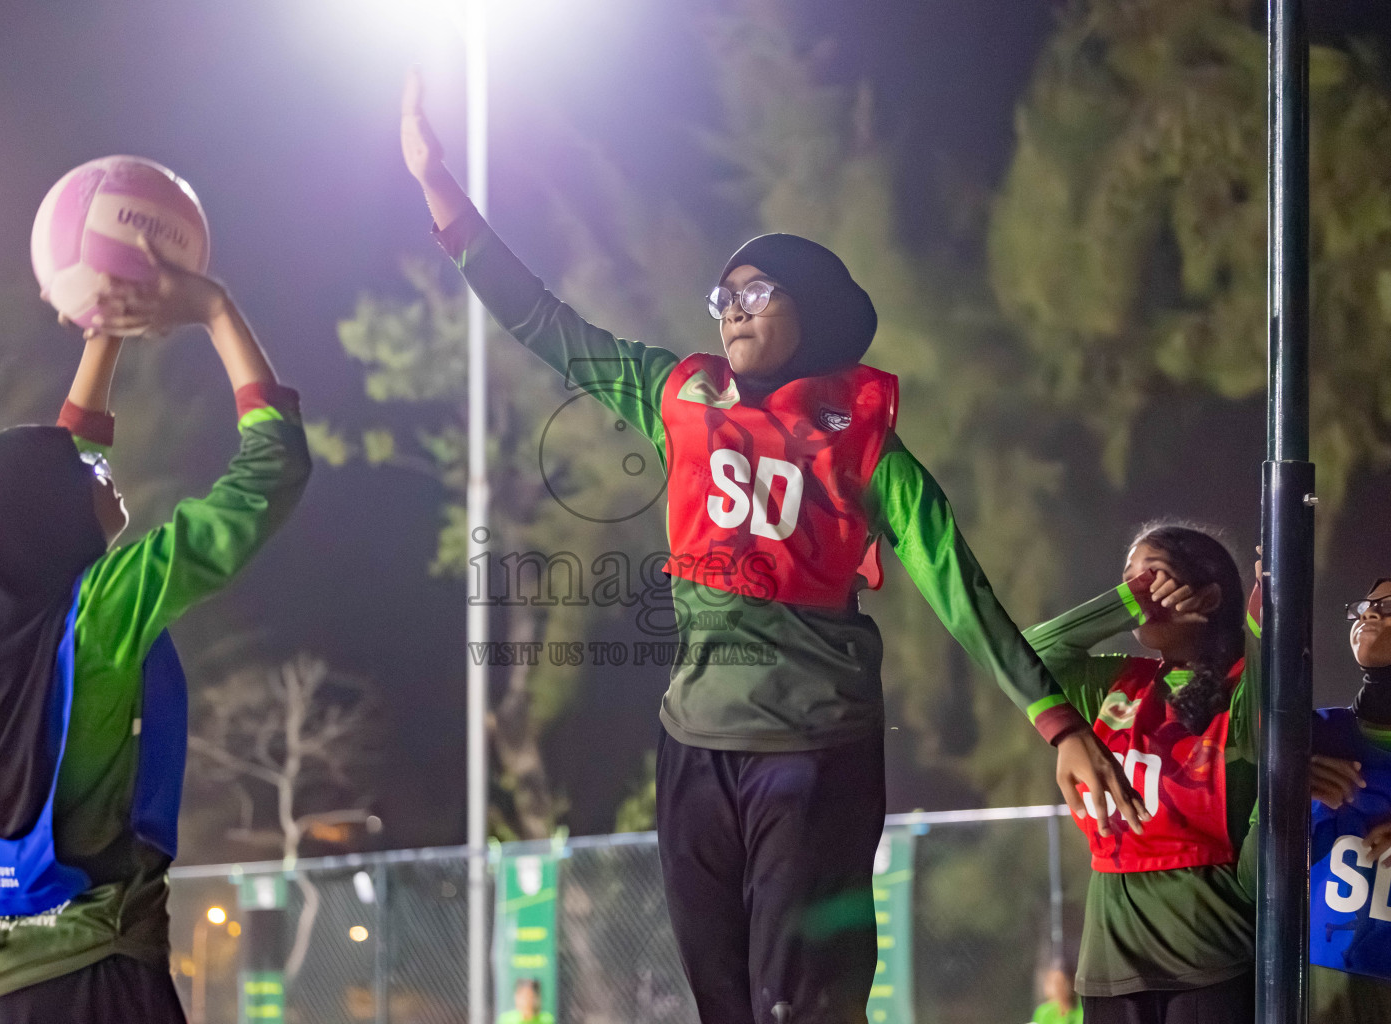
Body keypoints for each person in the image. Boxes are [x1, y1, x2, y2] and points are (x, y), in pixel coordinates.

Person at [400, 70, 1143, 1024]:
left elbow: (961, 588)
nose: (735, 307)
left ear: (816, 315)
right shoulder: (678, 394)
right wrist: (438, 187)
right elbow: (548, 324)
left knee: (801, 1004)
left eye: (760, 290)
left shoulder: (865, 441)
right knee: (725, 1003)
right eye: (725, 293)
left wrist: (1059, 721)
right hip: (693, 743)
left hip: (815, 744)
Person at [0, 239, 310, 1023]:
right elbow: (273, 471)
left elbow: (63, 460)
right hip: (94, 981)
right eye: (85, 477)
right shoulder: (100, 615)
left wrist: (106, 327)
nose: (103, 470)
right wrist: (214, 309)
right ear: (48, 525)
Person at [1023, 523, 1260, 1024]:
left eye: (1151, 578)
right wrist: (1125, 603)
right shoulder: (1117, 683)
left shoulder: (1243, 691)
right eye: (1127, 581)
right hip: (1109, 960)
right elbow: (1028, 658)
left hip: (1209, 954)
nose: (1137, 591)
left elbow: (1273, 662)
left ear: (1208, 596)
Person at [1297, 576, 1391, 1019]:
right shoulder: (1312, 734)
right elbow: (1250, 875)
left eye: (1389, 606)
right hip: (1326, 980)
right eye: (1366, 605)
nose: (1370, 613)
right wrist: (1281, 789)